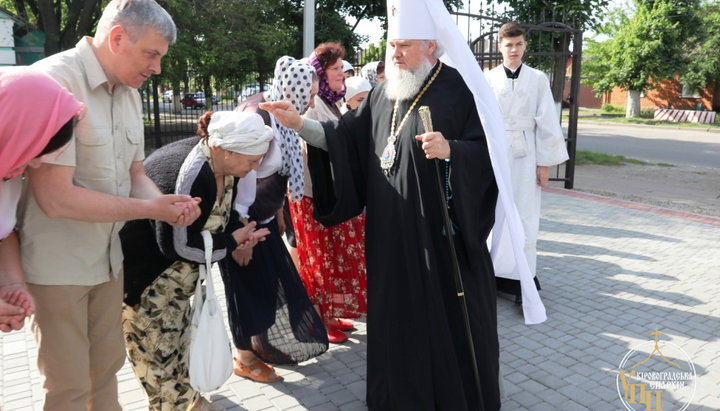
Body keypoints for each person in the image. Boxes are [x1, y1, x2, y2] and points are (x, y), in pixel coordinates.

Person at [261, 0, 548, 408]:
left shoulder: (462, 90)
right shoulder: (383, 93)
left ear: (431, 46)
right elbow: (343, 140)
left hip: (439, 241)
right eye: (392, 45)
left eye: (404, 46)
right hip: (390, 239)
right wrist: (298, 124)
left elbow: (491, 159)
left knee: (440, 325)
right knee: (398, 323)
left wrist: (454, 151)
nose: (393, 55)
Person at [17, 1, 202, 409]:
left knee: (104, 373)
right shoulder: (55, 83)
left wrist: (166, 204)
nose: (157, 68)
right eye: (151, 54)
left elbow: (136, 174)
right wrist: (151, 211)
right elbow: (55, 198)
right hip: (56, 267)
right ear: (118, 38)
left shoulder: (127, 89)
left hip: (108, 259)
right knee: (69, 387)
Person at [120, 111, 272, 410]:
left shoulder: (222, 165)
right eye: (252, 161)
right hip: (149, 282)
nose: (256, 168)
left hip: (176, 284)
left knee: (179, 346)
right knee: (158, 357)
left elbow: (218, 219)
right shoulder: (188, 174)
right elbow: (176, 246)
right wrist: (231, 242)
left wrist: (237, 234)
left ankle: (187, 402)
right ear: (227, 151)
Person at [222, 56, 328, 383]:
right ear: (292, 89)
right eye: (307, 95)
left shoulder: (279, 116)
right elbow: (237, 179)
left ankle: (259, 346)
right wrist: (239, 234)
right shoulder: (259, 118)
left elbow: (275, 173)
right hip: (244, 225)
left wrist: (278, 213)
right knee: (246, 289)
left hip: (263, 219)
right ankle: (243, 357)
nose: (310, 103)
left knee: (266, 286)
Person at [485, 22, 569, 304]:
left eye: (519, 44)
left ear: (525, 46)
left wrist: (544, 164)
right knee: (495, 213)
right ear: (499, 46)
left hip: (526, 153)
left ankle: (523, 279)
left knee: (525, 215)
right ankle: (492, 274)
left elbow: (546, 121)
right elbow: (480, 119)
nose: (514, 50)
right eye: (508, 45)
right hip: (495, 153)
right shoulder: (488, 78)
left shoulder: (537, 79)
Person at [290, 41, 368, 344]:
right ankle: (321, 319)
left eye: (341, 69)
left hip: (332, 193)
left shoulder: (333, 101)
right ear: (320, 73)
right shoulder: (313, 104)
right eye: (336, 69)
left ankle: (332, 314)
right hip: (312, 195)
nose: (342, 75)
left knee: (335, 256)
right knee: (319, 258)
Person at [0, 68, 83, 333]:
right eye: (35, 150)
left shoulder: (8, 170)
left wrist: (12, 285)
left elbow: (3, 232)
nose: (35, 164)